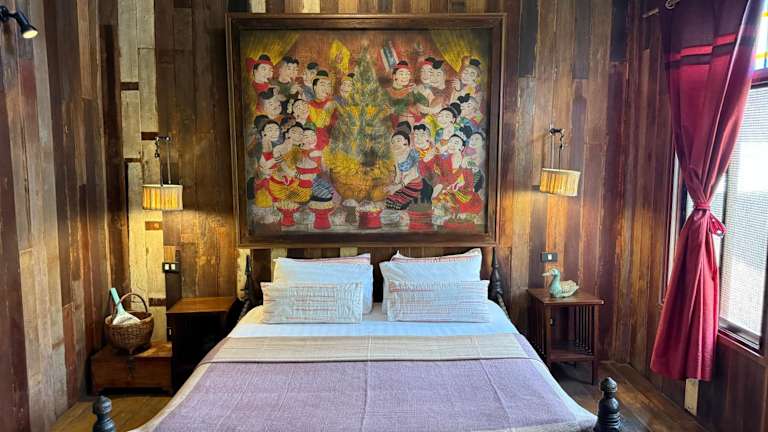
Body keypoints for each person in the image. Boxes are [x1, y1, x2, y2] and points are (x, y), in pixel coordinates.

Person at [385, 122, 422, 210]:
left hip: (413, 183)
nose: (395, 144)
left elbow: (412, 174)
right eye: (393, 142)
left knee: (400, 201)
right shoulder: (396, 157)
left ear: (406, 142)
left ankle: (408, 200)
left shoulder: (411, 154)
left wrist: (398, 186)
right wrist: (394, 185)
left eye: (398, 141)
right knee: (390, 199)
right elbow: (398, 174)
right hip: (402, 183)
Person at [386, 61, 427, 126]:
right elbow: (390, 109)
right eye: (401, 74)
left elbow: (425, 103)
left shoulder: (410, 90)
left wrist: (416, 92)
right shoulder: (388, 91)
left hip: (417, 123)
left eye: (407, 74)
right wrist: (409, 107)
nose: (405, 77)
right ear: (394, 76)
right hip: (398, 124)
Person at [308, 70, 337, 150]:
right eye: (322, 84)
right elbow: (318, 124)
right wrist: (326, 108)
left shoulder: (334, 104)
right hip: (314, 143)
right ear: (315, 87)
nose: (326, 88)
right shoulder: (309, 105)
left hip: (332, 143)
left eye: (328, 85)